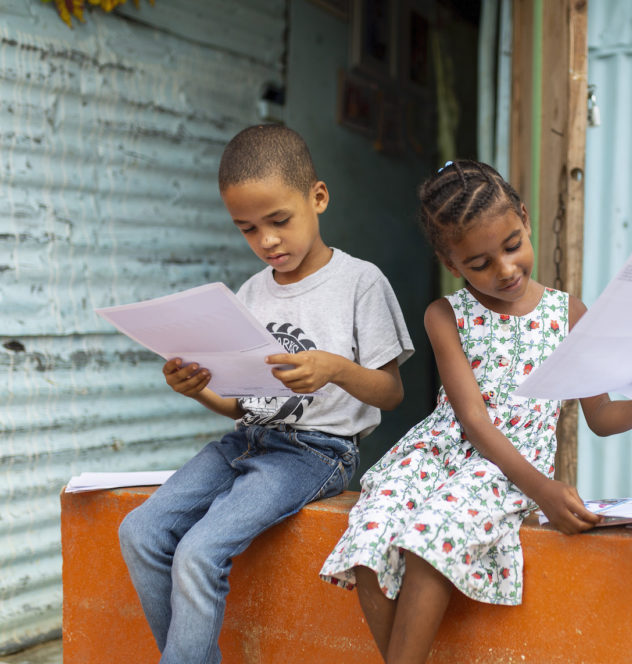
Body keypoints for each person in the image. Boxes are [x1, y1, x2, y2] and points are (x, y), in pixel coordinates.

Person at [319, 159, 632, 663]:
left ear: (525, 220)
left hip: (507, 468)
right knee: (371, 537)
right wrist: (545, 491)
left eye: (511, 246)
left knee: (427, 542)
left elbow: (599, 416)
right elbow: (473, 422)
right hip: (439, 451)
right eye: (480, 263)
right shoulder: (445, 315)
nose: (505, 269)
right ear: (451, 262)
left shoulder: (568, 314)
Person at [118, 124, 414, 664]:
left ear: (317, 197)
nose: (267, 241)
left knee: (199, 552)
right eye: (248, 229)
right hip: (245, 440)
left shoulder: (359, 282)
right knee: (141, 531)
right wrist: (198, 388)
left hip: (316, 452)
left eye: (279, 221)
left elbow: (391, 391)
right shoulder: (251, 292)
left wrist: (333, 369)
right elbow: (241, 403)